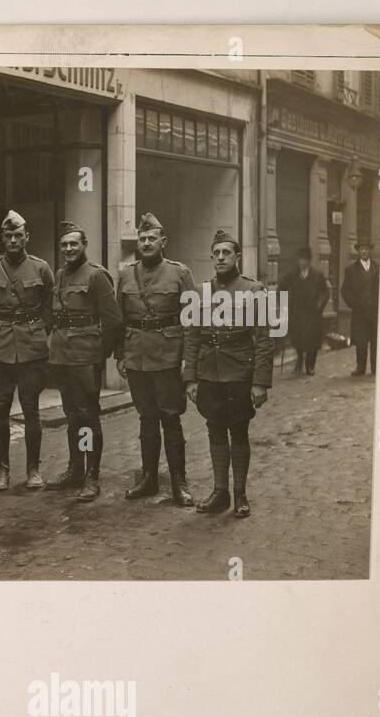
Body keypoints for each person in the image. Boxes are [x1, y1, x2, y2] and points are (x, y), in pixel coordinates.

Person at [183, 229, 273, 519]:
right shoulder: (200, 292)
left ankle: (240, 494)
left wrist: (260, 382)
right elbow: (193, 336)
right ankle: (220, 492)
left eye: (226, 253)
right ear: (211, 258)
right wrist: (191, 378)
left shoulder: (253, 290)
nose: (220, 258)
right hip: (209, 372)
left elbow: (264, 338)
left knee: (239, 431)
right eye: (216, 253)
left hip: (239, 372)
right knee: (214, 428)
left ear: (237, 257)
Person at [116, 212, 196, 506]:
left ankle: (179, 483)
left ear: (164, 242)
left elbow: (193, 320)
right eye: (142, 238)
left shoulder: (180, 273)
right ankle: (149, 479)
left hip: (168, 356)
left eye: (152, 238)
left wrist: (189, 360)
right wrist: (120, 354)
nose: (146, 243)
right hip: (137, 356)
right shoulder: (125, 274)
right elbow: (119, 317)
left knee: (171, 419)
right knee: (146, 419)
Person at [0, 210, 53, 491]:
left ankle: (33, 470)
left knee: (31, 409)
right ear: (2, 238)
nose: (12, 240)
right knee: (1, 407)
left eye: (17, 235)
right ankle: (2, 470)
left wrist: (35, 330)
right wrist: (0, 329)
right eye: (8, 236)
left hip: (32, 349)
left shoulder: (41, 268)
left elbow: (50, 308)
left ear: (26, 237)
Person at [46, 220, 121, 503]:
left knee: (88, 415)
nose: (68, 248)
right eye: (64, 244)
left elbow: (113, 320)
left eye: (73, 244)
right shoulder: (60, 275)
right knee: (72, 415)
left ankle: (92, 475)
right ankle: (75, 469)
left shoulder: (97, 276)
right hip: (63, 357)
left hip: (86, 357)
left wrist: (98, 354)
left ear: (84, 246)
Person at [279, 246, 329, 376]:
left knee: (312, 341)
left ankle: (310, 365)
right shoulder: (292, 274)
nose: (302, 262)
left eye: (305, 259)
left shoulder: (317, 275)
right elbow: (281, 287)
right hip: (297, 312)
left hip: (312, 313)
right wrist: (284, 302)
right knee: (297, 339)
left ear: (309, 260)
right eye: (300, 259)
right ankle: (300, 358)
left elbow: (325, 292)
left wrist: (319, 306)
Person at [341, 239, 379, 376]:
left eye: (366, 249)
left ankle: (376, 368)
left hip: (375, 312)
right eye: (362, 249)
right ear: (358, 251)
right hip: (360, 313)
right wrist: (354, 304)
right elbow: (345, 290)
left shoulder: (378, 267)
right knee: (361, 341)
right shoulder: (351, 270)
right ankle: (360, 367)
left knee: (376, 341)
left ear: (370, 251)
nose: (364, 251)